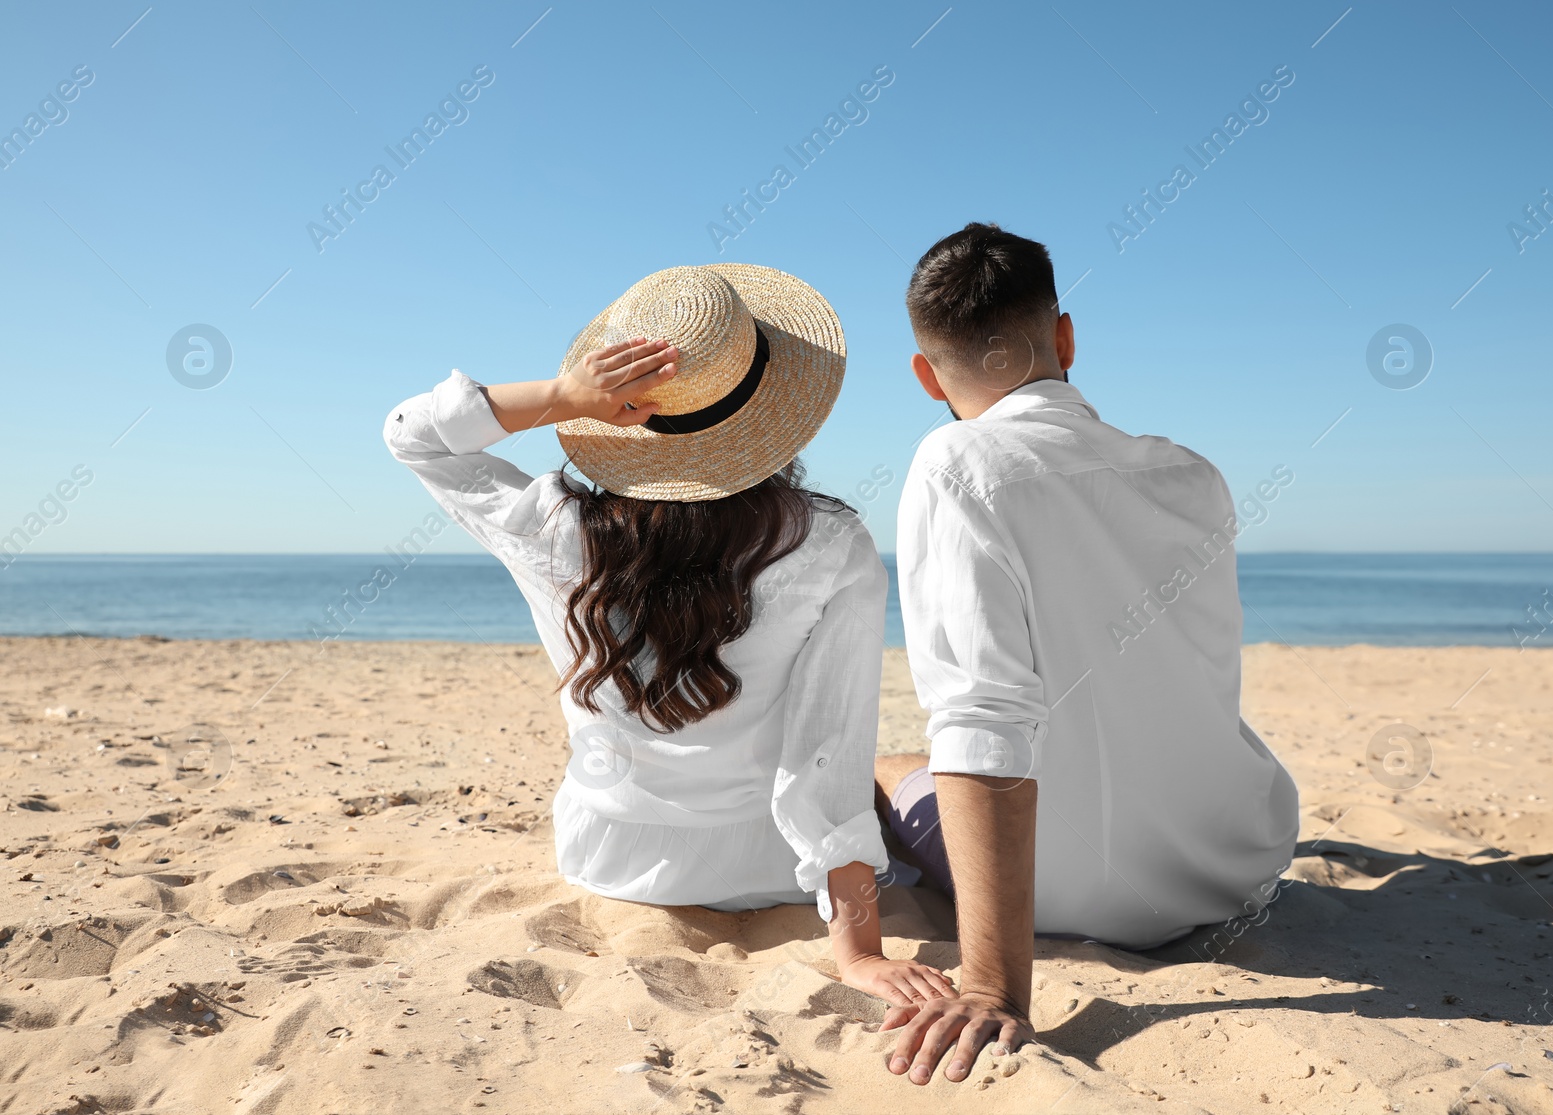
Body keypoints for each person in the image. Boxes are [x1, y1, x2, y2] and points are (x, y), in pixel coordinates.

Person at [384, 264, 953, 1009]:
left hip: (609, 860)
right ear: (770, 403)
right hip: (773, 868)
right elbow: (828, 752)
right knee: (899, 774)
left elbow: (413, 436)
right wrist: (858, 952)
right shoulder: (830, 544)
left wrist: (561, 397)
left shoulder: (555, 529)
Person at [878, 224, 1300, 1084]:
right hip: (1230, 866)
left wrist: (994, 984)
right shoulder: (1193, 473)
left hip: (1068, 894)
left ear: (926, 375)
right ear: (1065, 337)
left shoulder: (955, 463)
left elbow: (980, 716)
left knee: (878, 763)